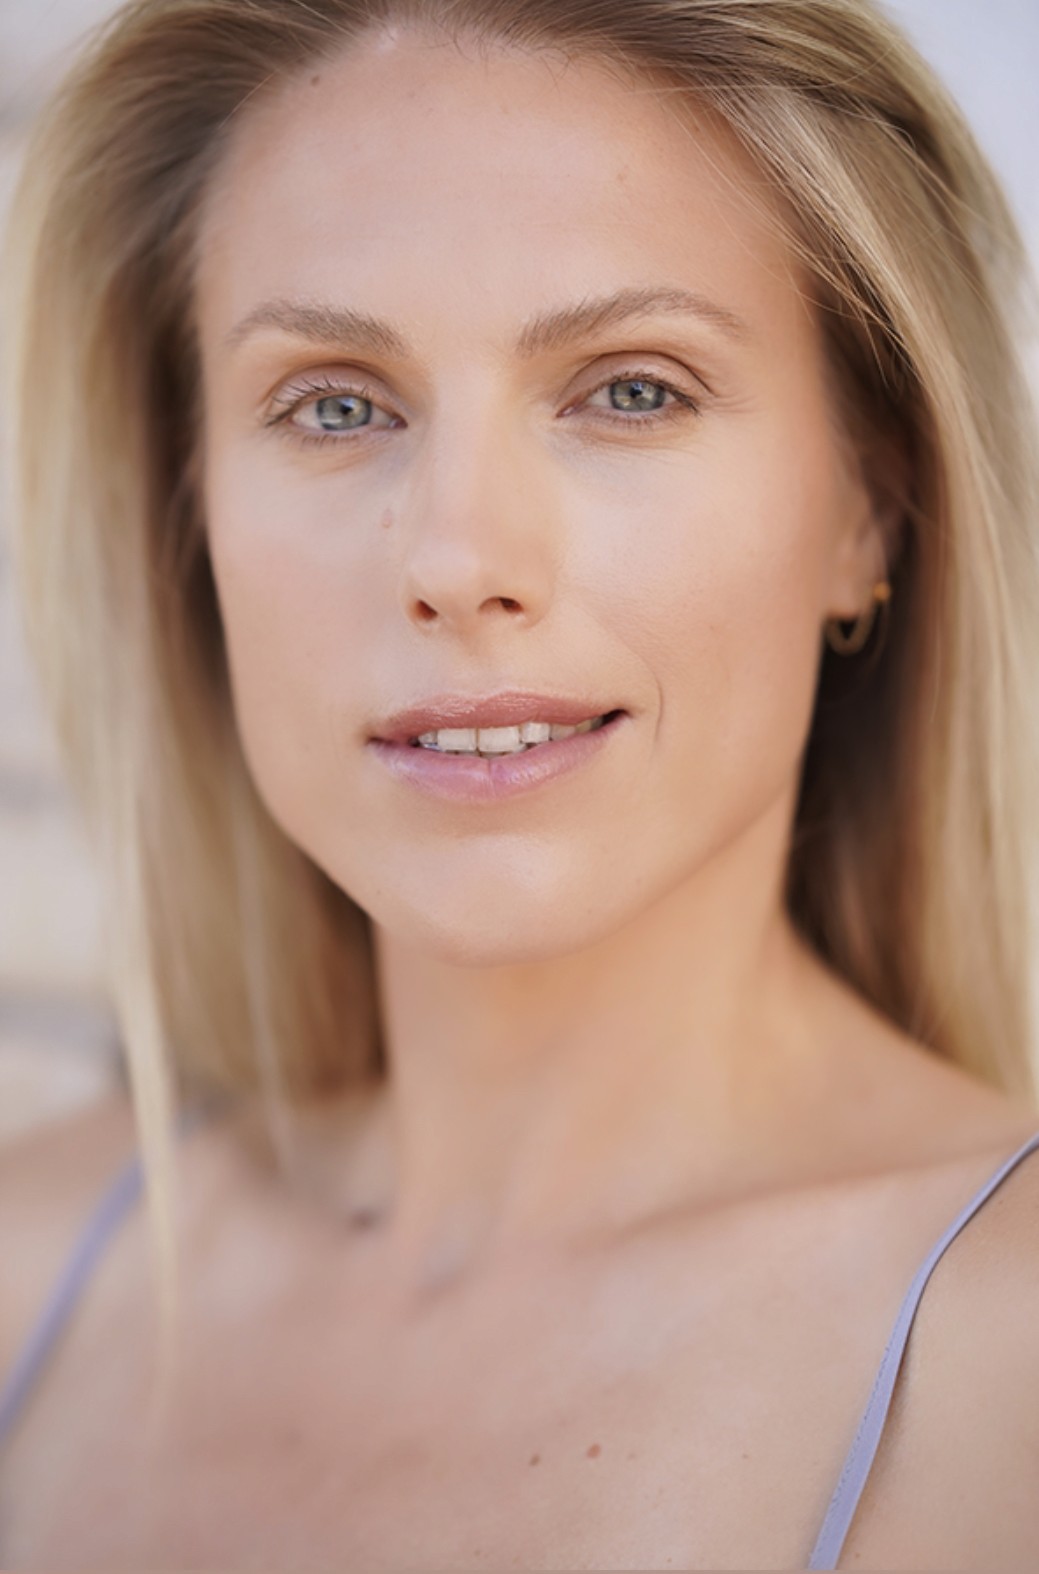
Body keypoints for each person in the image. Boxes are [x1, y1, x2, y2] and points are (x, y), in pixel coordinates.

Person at [1, 0, 1038, 1565]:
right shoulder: (27, 1276)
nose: (459, 557)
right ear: (188, 508)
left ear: (868, 509)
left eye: (633, 388)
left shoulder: (1009, 1371)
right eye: (335, 403)